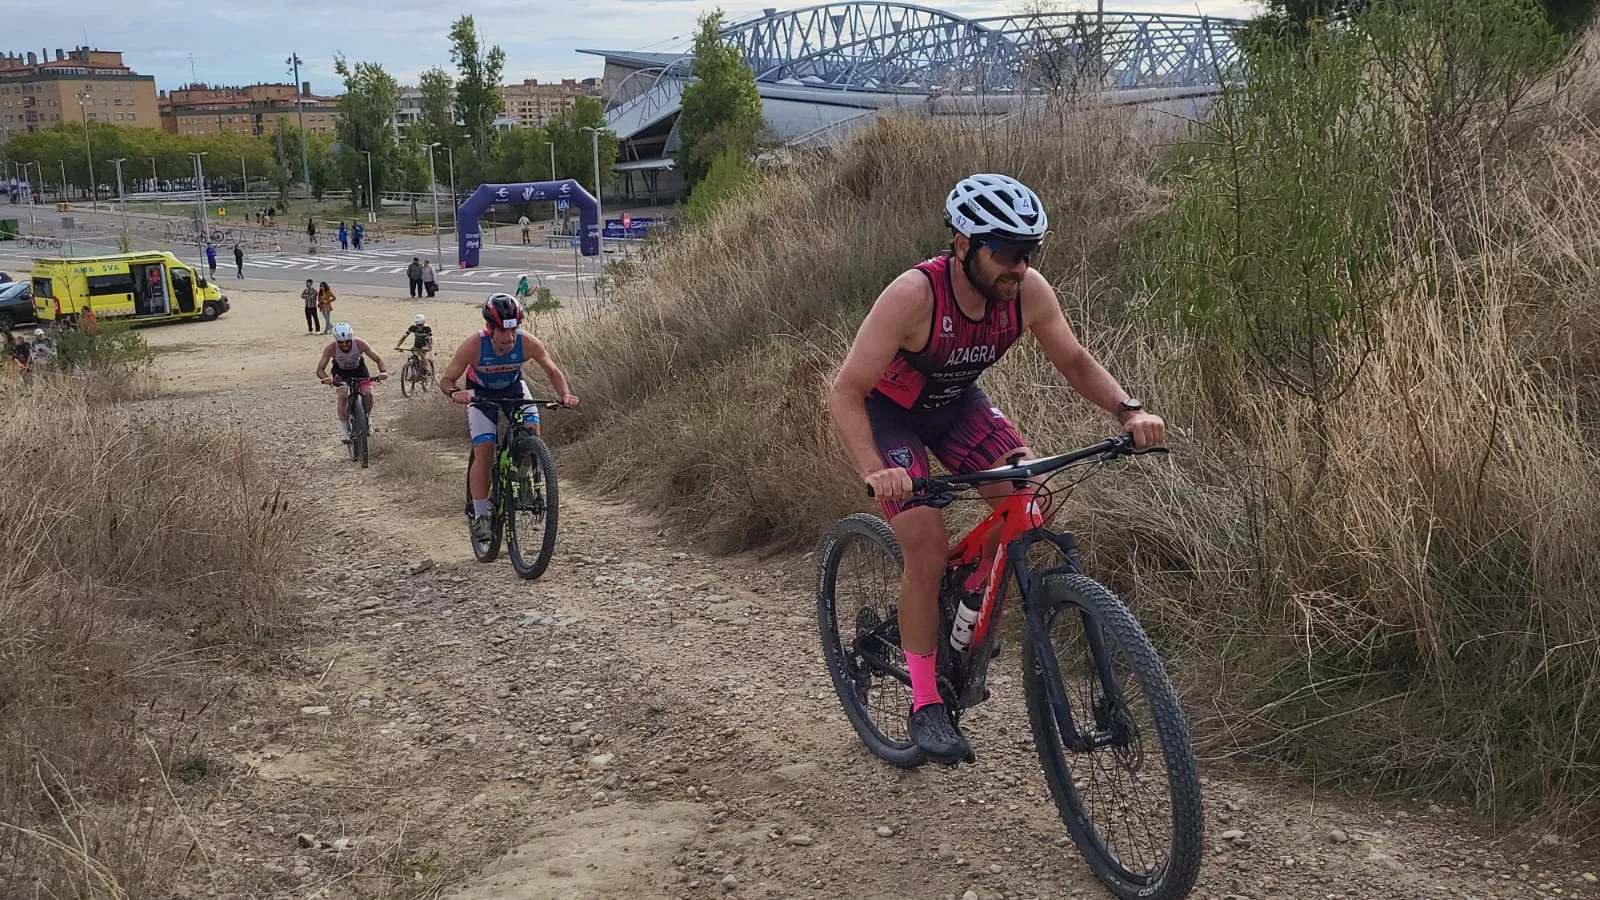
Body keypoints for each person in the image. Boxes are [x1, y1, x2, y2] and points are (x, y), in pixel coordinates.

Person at [826, 174, 1166, 765]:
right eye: (1006, 252)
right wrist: (875, 469)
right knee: (926, 547)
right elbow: (846, 390)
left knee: (1033, 499)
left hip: (956, 408)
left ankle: (969, 602)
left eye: (1029, 251)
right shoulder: (914, 296)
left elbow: (1074, 359)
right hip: (890, 418)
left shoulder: (1027, 290)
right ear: (963, 245)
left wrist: (1128, 410)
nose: (1020, 266)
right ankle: (926, 701)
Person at [438, 294, 580, 542]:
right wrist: (454, 392)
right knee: (484, 449)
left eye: (514, 330)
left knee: (532, 431)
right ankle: (480, 513)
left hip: (514, 389)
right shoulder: (474, 345)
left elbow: (552, 370)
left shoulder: (527, 342)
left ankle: (523, 481)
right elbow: (446, 379)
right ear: (490, 328)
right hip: (480, 394)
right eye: (504, 331)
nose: (510, 337)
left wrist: (565, 395)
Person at [316, 322, 388, 444]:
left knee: (368, 393)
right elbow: (319, 370)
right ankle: (344, 428)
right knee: (342, 395)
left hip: (359, 370)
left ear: (352, 338)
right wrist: (326, 378)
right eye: (341, 342)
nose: (344, 345)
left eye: (348, 342)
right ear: (336, 341)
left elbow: (378, 359)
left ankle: (366, 418)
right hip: (340, 372)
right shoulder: (330, 348)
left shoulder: (360, 344)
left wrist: (383, 372)